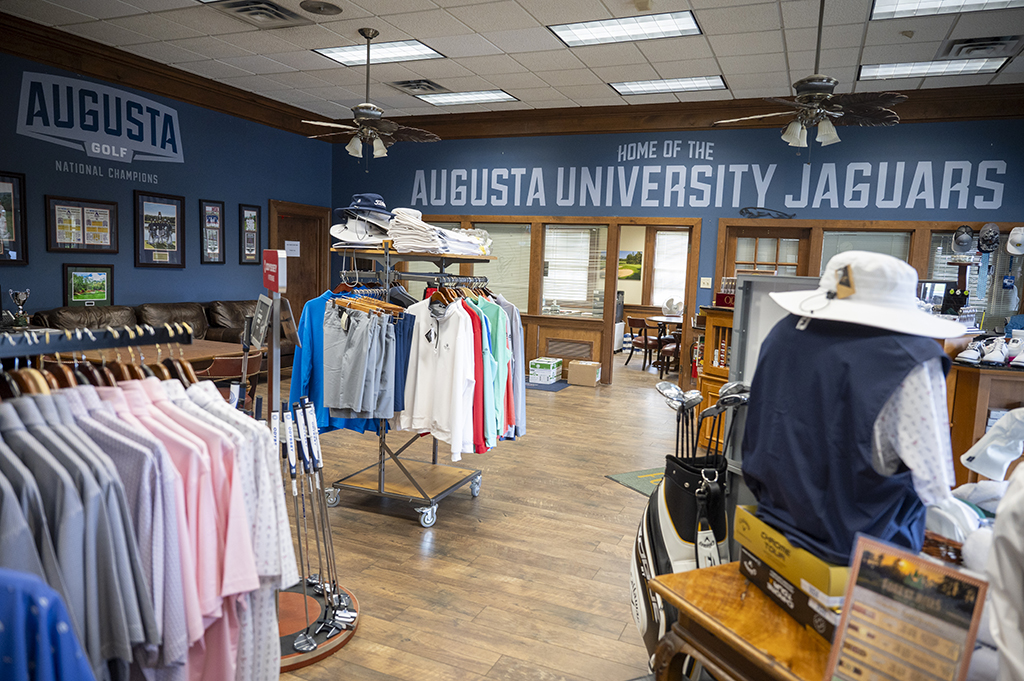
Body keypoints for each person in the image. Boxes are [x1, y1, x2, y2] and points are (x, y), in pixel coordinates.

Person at [741, 251, 966, 564]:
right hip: (862, 551)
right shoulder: (908, 359)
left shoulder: (783, 333)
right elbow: (933, 481)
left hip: (774, 525)